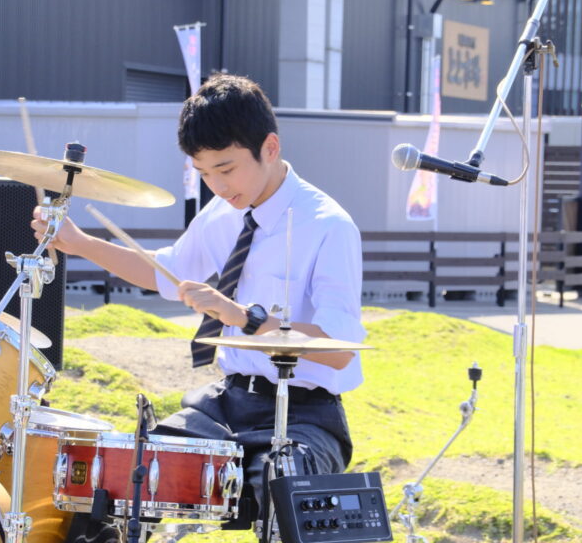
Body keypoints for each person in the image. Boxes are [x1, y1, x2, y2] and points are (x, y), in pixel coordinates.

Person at [32, 73, 366, 542]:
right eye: (203, 173)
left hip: (307, 415)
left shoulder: (329, 225)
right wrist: (80, 243)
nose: (217, 186)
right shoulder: (223, 212)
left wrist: (244, 317)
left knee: (287, 483)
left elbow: (340, 350)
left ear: (270, 147)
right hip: (227, 403)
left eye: (226, 169)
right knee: (120, 474)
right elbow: (165, 272)